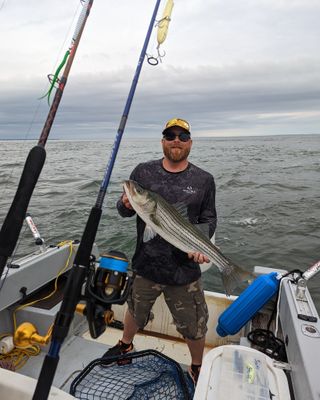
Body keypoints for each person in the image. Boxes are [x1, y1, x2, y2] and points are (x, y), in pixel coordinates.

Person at [104, 118, 217, 385]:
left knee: (193, 324)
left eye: (182, 136)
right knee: (135, 309)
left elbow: (209, 218)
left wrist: (202, 245)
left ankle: (197, 366)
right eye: (170, 135)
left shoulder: (204, 179)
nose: (176, 140)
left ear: (190, 143)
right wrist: (127, 204)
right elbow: (122, 210)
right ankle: (125, 345)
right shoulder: (143, 173)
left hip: (184, 270)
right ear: (162, 141)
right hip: (146, 264)